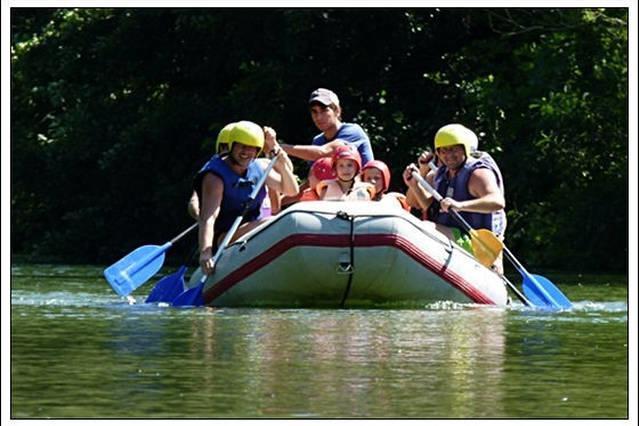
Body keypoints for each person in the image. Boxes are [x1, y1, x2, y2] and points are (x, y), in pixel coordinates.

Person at [195, 121, 299, 275]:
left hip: (254, 227)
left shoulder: (260, 167)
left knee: (275, 221)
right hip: (225, 236)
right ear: (232, 145)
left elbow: (291, 190)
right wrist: (205, 253)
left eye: (252, 148)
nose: (246, 152)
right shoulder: (214, 176)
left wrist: (282, 162)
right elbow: (209, 218)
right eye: (242, 146)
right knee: (271, 222)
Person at [403, 123, 506, 273]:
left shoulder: (478, 174)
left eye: (454, 149)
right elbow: (418, 204)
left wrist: (459, 205)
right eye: (443, 150)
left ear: (465, 149)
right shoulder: (440, 174)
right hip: (454, 235)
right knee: (421, 226)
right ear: (437, 153)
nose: (448, 155)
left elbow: (497, 202)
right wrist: (416, 181)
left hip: (478, 242)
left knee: (426, 228)